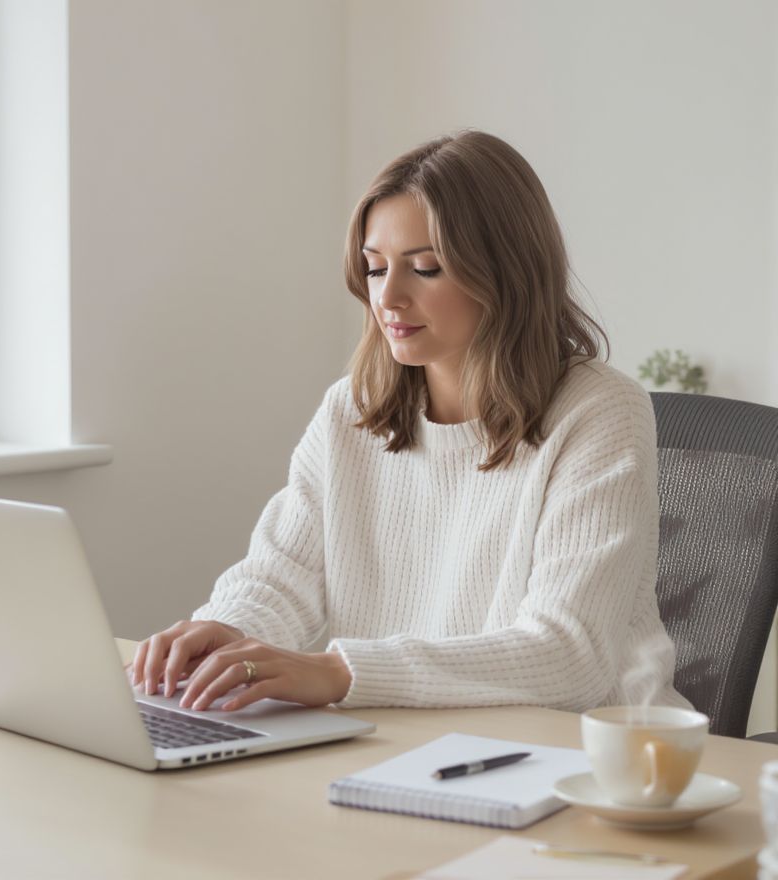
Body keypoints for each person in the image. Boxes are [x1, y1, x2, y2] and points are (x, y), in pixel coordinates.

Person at [131, 130, 689, 715]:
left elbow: (568, 656)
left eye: (424, 269)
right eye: (375, 270)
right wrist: (226, 632)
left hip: (587, 757)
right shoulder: (352, 408)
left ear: (506, 272)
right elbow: (281, 575)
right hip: (404, 740)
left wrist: (340, 671)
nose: (388, 298)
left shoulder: (599, 412)